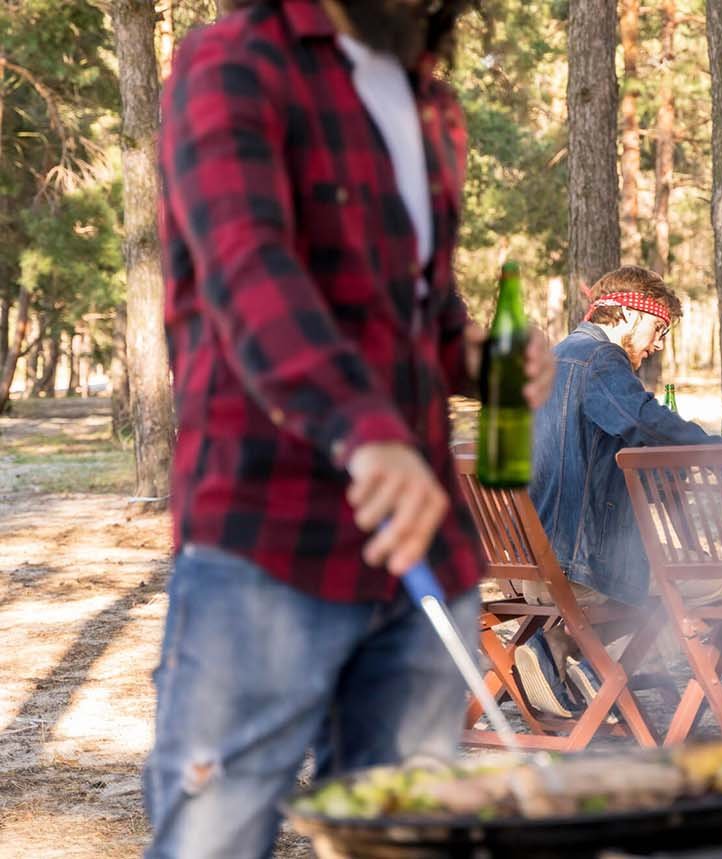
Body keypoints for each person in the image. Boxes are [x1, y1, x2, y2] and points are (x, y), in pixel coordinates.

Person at [146, 1, 553, 855]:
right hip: (265, 545)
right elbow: (250, 271)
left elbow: (419, 315)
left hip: (422, 560)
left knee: (402, 841)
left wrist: (479, 358)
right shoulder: (233, 64)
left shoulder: (431, 103)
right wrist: (365, 431)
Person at [515, 266, 722, 718]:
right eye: (657, 328)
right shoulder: (599, 359)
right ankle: (576, 655)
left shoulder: (554, 357)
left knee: (657, 571)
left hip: (530, 564)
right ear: (625, 313)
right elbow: (644, 421)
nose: (658, 344)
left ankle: (576, 658)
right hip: (577, 568)